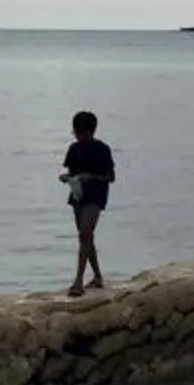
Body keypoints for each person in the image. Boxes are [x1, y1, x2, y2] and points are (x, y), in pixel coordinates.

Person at [60, 109, 116, 293]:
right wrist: (67, 177)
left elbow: (110, 177)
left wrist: (90, 177)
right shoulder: (73, 149)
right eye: (75, 131)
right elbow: (71, 171)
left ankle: (78, 281)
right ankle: (98, 276)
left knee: (85, 232)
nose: (77, 135)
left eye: (79, 131)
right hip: (78, 195)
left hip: (96, 195)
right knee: (86, 237)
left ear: (89, 131)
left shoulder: (102, 149)